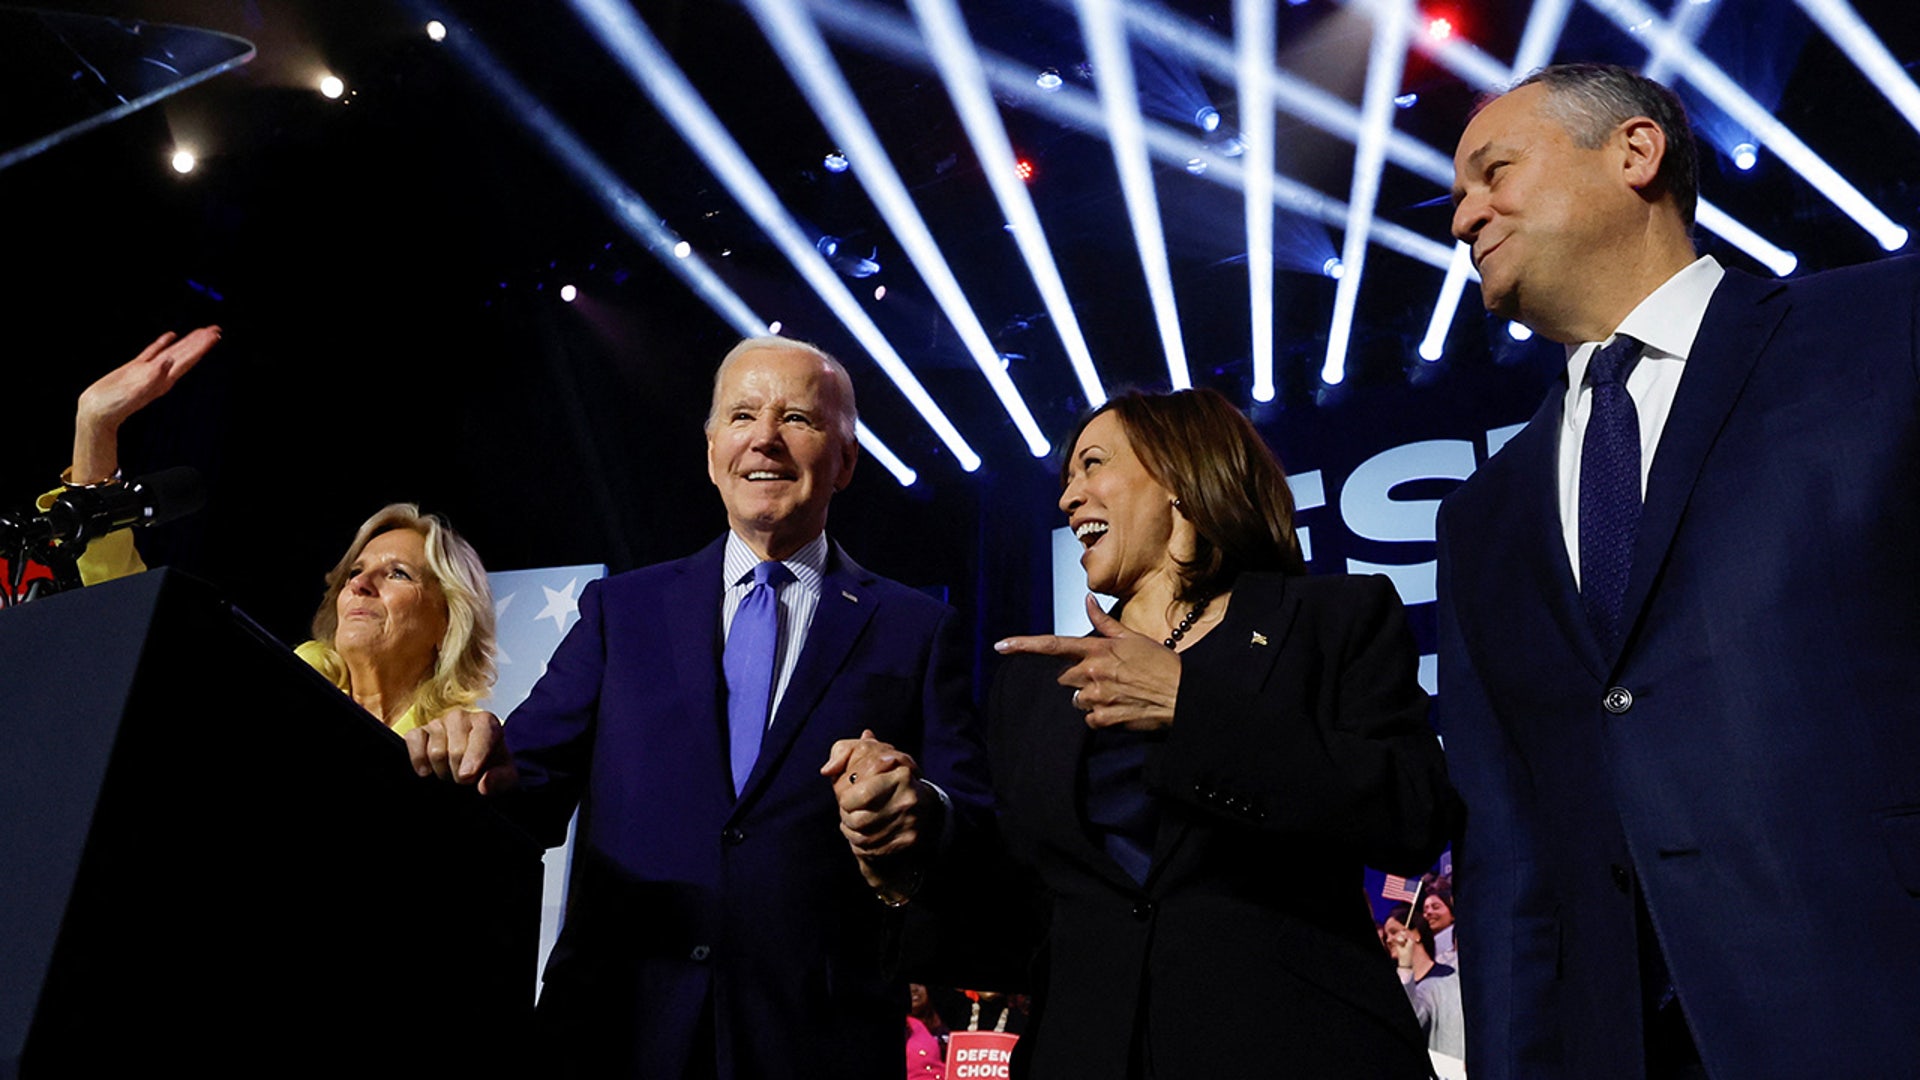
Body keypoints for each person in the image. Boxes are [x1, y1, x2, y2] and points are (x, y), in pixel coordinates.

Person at [1437, 62, 1920, 1079]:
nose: (1461, 217)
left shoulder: (1883, 333)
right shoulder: (1482, 518)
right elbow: (1509, 852)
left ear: (1634, 152)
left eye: (1493, 172)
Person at [408, 336, 993, 1079]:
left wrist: (924, 810)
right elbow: (525, 789)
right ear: (713, 449)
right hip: (614, 1026)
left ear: (845, 461)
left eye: (799, 420)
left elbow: (971, 821)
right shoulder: (623, 610)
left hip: (814, 1040)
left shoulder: (915, 627)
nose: (765, 438)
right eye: (743, 414)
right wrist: (476, 760)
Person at [983, 388, 1456, 1078]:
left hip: (1297, 1047)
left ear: (1180, 477)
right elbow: (1026, 907)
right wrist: (908, 844)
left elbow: (1411, 814)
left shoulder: (1331, 620)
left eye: (1092, 465)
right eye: (1066, 481)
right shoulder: (1036, 685)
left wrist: (1190, 709)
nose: (1068, 497)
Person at [47, 328, 498, 736]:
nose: (359, 584)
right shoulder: (270, 695)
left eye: (398, 573)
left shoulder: (456, 754)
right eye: (354, 572)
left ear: (447, 621)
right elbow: (134, 614)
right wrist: (95, 426)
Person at [1387, 904, 1465, 1060]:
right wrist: (1405, 966)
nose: (1389, 940)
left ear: (1417, 934)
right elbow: (1408, 1022)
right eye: (1385, 936)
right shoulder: (1433, 987)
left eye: (1394, 932)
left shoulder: (1446, 977)